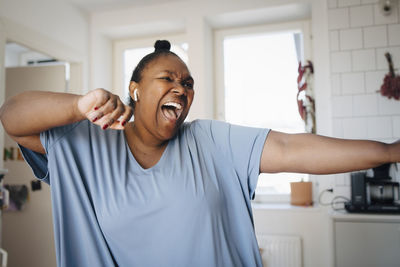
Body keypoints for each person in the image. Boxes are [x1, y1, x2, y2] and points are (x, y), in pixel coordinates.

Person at [0, 40, 399, 267]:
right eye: (167, 78)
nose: (182, 89)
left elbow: (292, 147)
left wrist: (391, 151)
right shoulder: (87, 145)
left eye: (188, 83)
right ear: (135, 88)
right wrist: (78, 104)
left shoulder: (208, 141)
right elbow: (13, 116)